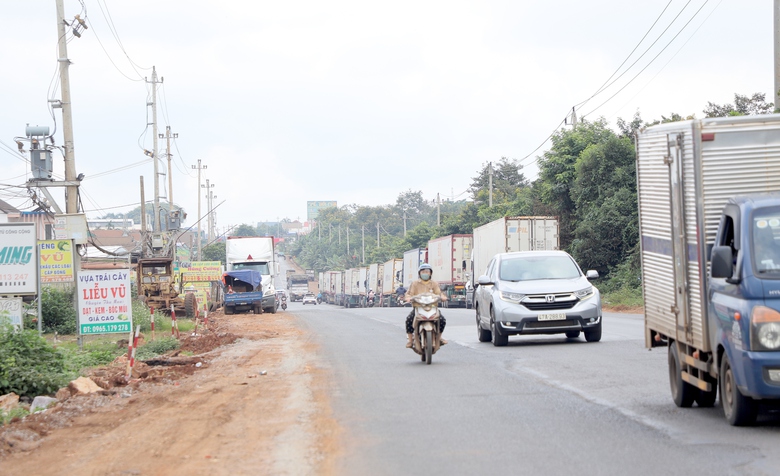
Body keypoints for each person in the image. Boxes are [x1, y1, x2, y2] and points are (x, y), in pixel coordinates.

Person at [405, 263, 447, 348]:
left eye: (427, 271)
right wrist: (408, 298)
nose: (425, 273)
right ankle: (410, 340)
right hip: (418, 307)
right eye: (423, 271)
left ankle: (439, 337)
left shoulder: (434, 284)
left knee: (442, 320)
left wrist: (442, 297)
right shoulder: (415, 284)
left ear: (430, 273)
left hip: (432, 307)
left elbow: (439, 293)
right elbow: (409, 294)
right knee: (409, 319)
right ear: (419, 273)